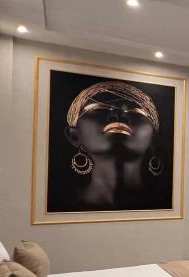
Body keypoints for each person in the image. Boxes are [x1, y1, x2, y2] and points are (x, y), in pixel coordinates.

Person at [64, 80, 165, 210]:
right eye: (100, 110)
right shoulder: (63, 204)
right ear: (74, 135)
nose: (118, 116)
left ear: (153, 138)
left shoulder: (165, 203)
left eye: (136, 113)